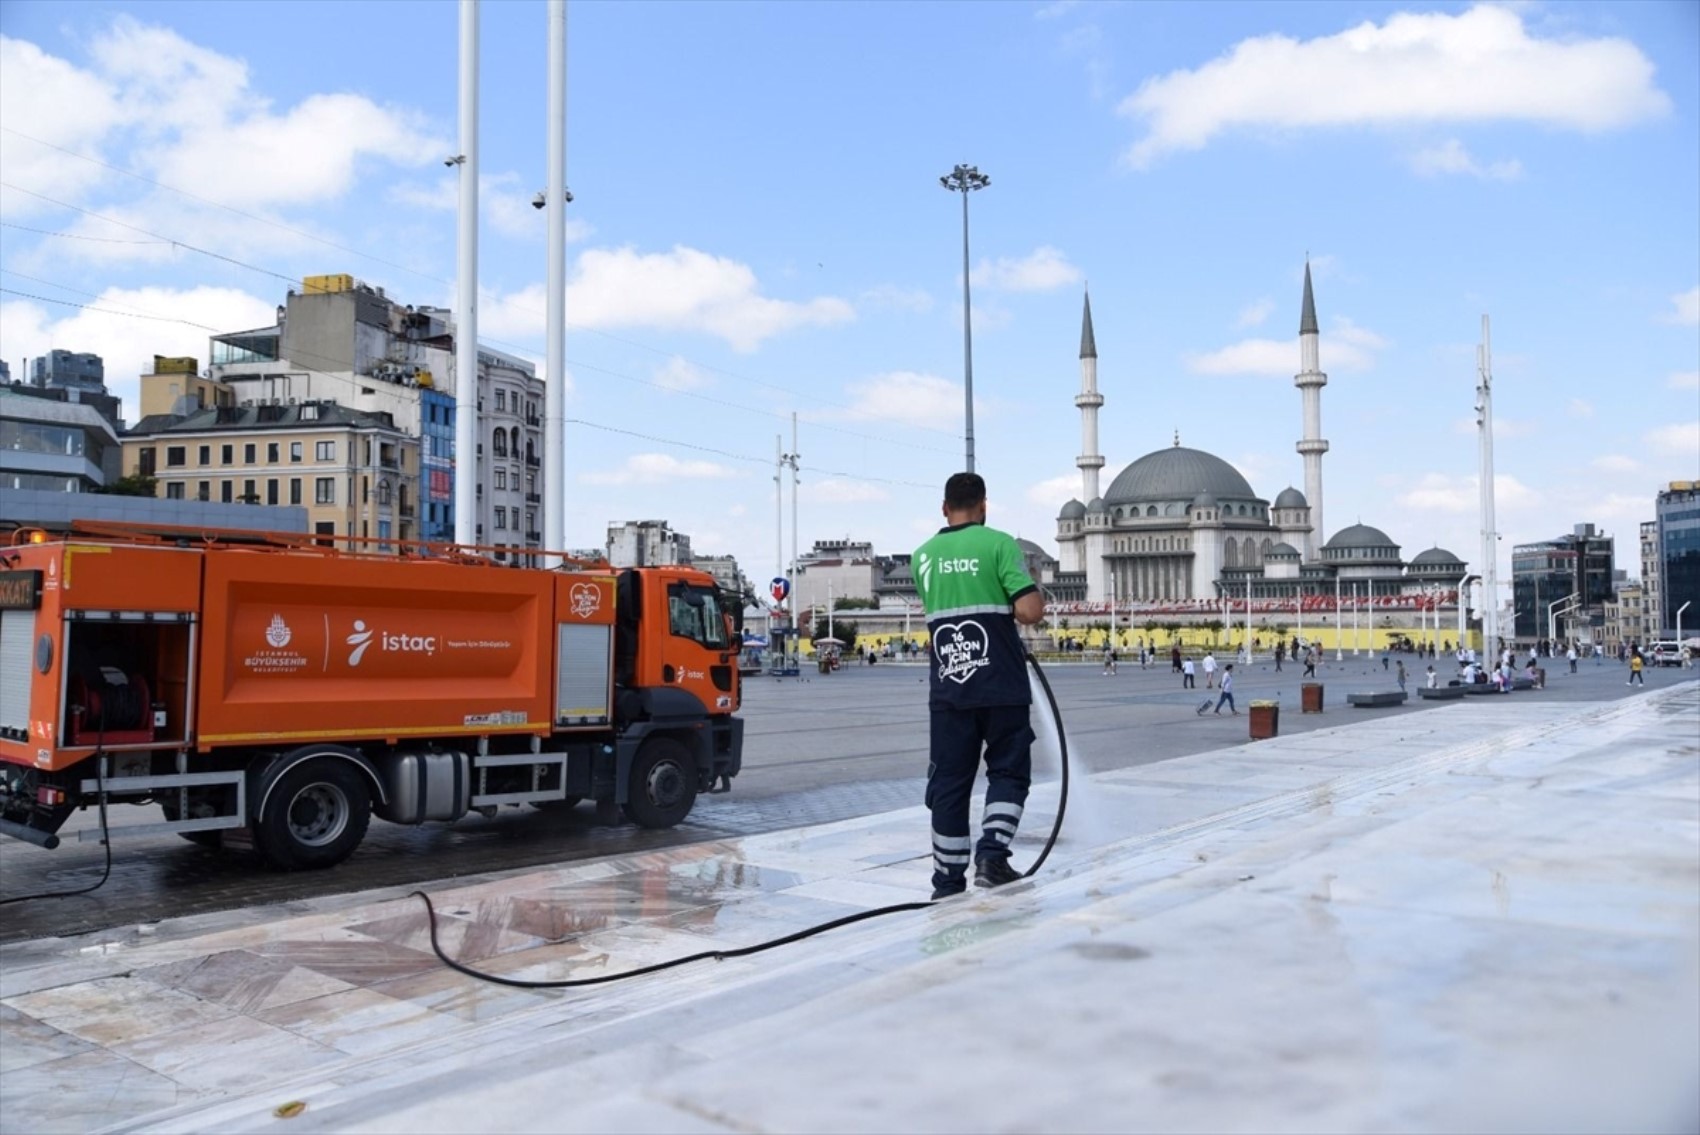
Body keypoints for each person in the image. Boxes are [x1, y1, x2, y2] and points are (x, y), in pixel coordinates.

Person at [913, 472, 1045, 901]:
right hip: (1001, 683)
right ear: (984, 506)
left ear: (944, 507)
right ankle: (992, 858)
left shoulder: (923, 556)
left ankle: (947, 883)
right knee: (1007, 770)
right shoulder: (999, 544)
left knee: (949, 781)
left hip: (950, 686)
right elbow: (1029, 610)